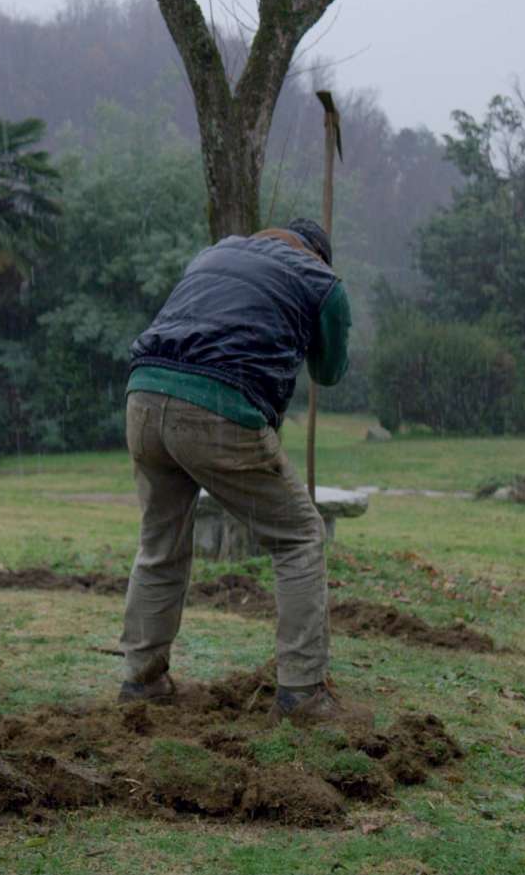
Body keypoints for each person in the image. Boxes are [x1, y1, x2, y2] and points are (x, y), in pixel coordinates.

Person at [117, 218, 353, 720]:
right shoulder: (321, 283)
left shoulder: (214, 253)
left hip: (143, 393)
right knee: (299, 535)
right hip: (219, 405)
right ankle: (303, 692)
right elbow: (329, 372)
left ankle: (142, 681)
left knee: (161, 544)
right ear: (318, 255)